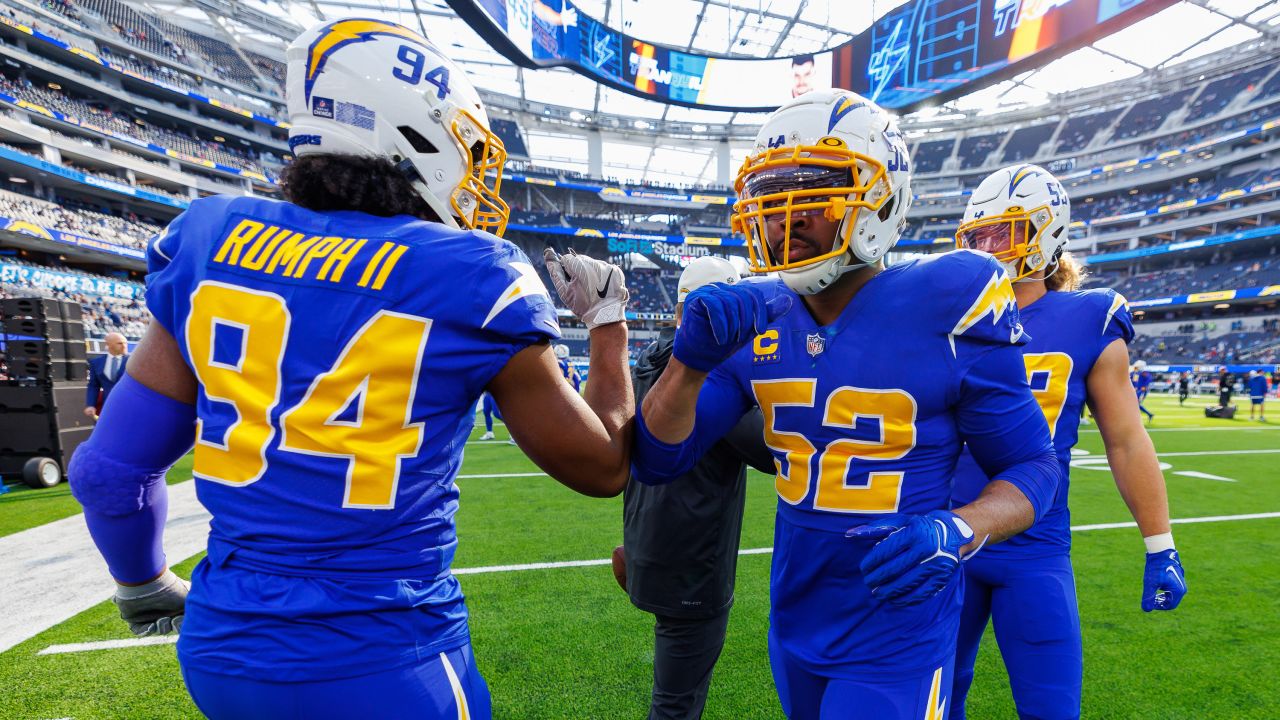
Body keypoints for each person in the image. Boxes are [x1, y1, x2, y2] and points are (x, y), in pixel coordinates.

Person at [66, 19, 635, 720]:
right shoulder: (470, 273)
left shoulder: (211, 240)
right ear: (417, 136)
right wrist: (608, 324)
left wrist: (143, 583)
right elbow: (604, 467)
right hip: (383, 657)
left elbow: (109, 472)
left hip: (223, 654)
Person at [630, 89, 1060, 718]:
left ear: (881, 196)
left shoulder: (950, 297)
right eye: (771, 195)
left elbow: (1034, 469)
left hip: (899, 630)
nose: (786, 214)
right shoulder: (755, 314)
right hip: (797, 619)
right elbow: (658, 459)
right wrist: (687, 363)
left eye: (813, 190)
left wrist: (963, 527)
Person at [949, 164, 1186, 720]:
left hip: (1035, 548)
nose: (987, 248)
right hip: (948, 536)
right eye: (977, 236)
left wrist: (1161, 544)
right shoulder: (945, 316)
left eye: (1002, 233)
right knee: (929, 704)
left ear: (1046, 234)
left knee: (1052, 708)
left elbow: (1126, 440)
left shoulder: (1087, 319)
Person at [616, 256, 775, 720]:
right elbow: (775, 452)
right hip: (691, 564)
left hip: (646, 541)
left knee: (672, 693)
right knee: (675, 705)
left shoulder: (649, 359)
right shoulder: (708, 374)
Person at [84, 331, 128, 419]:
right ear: (109, 344)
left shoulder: (133, 362)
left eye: (125, 343)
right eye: (120, 343)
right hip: (108, 407)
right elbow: (94, 385)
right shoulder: (96, 363)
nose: (124, 346)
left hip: (130, 406)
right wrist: (90, 404)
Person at [1132, 359, 1154, 424]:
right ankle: (1149, 414)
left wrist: (1144, 386)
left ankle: (1137, 419)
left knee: (1135, 404)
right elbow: (1134, 381)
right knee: (1135, 405)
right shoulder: (1136, 373)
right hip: (1137, 390)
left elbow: (1148, 379)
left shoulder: (1145, 373)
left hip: (1141, 391)